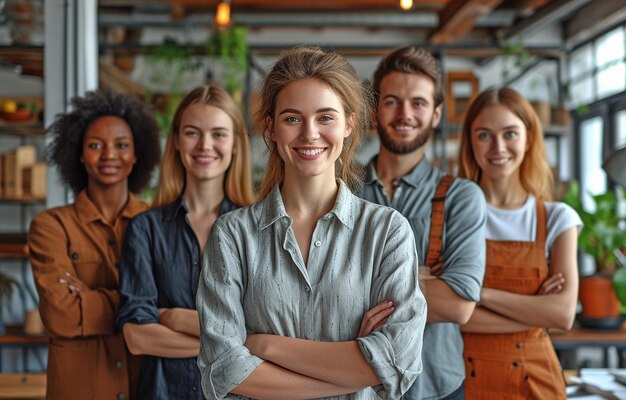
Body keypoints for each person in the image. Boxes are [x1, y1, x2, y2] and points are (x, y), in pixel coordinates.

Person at [196, 46, 427, 399]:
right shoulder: (232, 235)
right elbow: (224, 370)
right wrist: (354, 369)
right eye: (292, 118)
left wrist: (266, 346)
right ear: (271, 128)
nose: (309, 134)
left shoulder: (387, 232)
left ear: (349, 123)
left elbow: (397, 361)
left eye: (325, 118)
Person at [361, 46, 487, 400]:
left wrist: (360, 280)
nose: (405, 114)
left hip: (437, 386)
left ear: (435, 114)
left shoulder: (461, 197)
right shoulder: (339, 190)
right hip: (353, 385)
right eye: (392, 101)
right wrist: (420, 277)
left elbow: (458, 306)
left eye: (418, 103)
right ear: (374, 109)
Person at [116, 84, 255, 399]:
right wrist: (235, 345)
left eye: (219, 133)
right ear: (177, 141)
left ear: (235, 145)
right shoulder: (145, 230)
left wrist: (173, 317)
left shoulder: (256, 230)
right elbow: (138, 337)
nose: (205, 145)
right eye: (193, 132)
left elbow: (267, 332)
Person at [28, 90, 161, 400]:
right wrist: (143, 305)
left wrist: (90, 300)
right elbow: (61, 315)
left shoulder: (157, 221)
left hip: (147, 386)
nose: (108, 155)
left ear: (137, 154)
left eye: (121, 145)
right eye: (95, 146)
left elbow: (181, 301)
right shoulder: (51, 227)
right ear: (78, 154)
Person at [458, 87, 581, 399]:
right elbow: (442, 314)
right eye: (484, 135)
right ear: (470, 142)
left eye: (510, 133)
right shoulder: (450, 217)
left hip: (537, 384)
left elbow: (562, 315)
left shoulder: (558, 219)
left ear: (529, 139)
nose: (498, 147)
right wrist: (534, 310)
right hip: (462, 380)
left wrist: (476, 294)